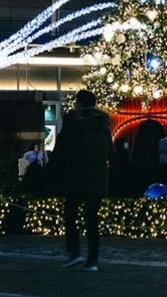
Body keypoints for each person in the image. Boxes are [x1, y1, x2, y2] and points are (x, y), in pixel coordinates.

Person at [55, 89, 110, 271]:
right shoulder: (103, 122)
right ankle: (92, 261)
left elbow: (62, 147)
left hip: (76, 174)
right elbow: (110, 150)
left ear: (79, 102)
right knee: (92, 219)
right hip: (97, 176)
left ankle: (75, 251)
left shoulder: (72, 120)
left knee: (70, 213)